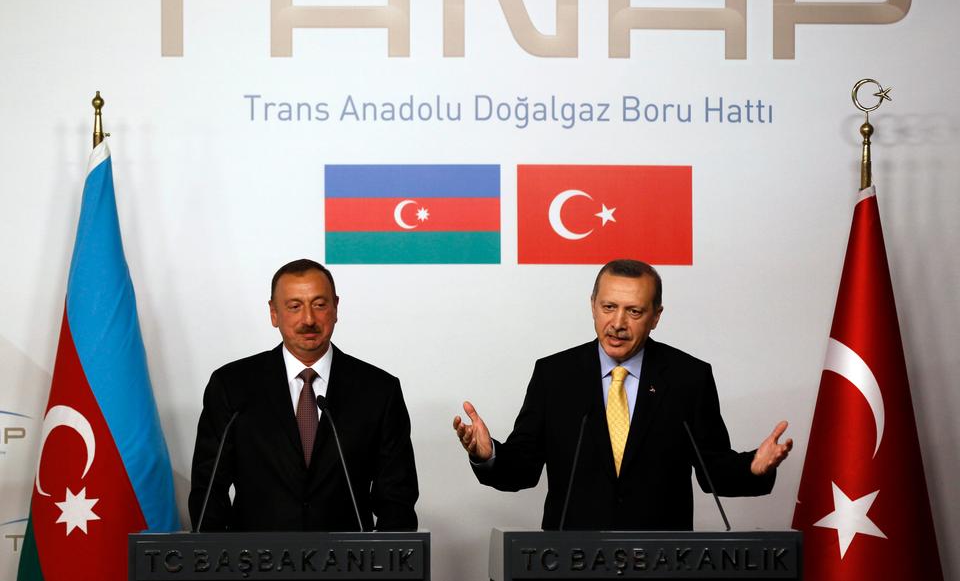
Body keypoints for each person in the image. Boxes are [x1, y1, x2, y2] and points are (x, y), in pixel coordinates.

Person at [453, 259, 792, 530]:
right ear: (592, 306)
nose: (617, 323)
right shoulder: (554, 375)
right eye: (608, 307)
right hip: (570, 562)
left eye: (634, 311)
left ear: (656, 316)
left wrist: (753, 466)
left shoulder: (688, 377)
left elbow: (712, 470)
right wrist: (488, 454)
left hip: (663, 563)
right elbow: (522, 469)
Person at [189, 259, 418, 531]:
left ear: (335, 308)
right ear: (274, 313)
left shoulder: (378, 390)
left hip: (350, 565)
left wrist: (384, 564)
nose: (308, 319)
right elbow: (208, 489)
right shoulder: (232, 386)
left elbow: (397, 498)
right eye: (294, 306)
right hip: (252, 566)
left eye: (319, 305)